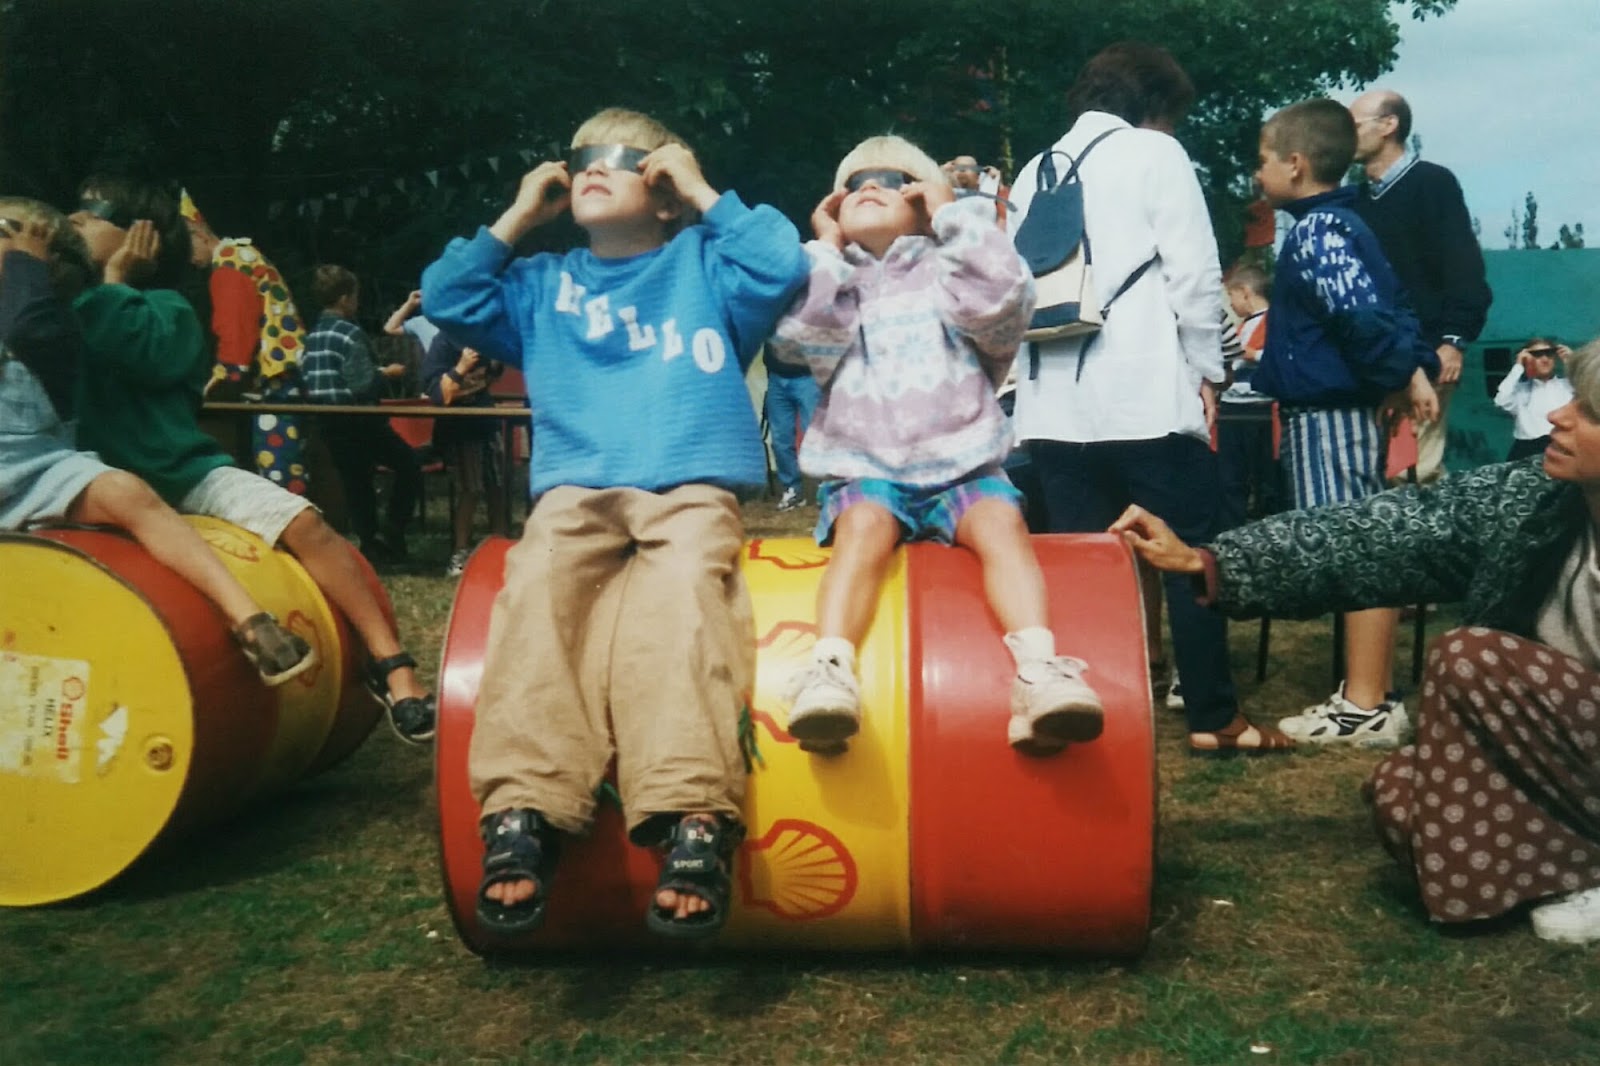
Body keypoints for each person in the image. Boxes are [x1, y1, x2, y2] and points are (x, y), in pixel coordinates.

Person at [421, 107, 808, 940]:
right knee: (537, 606)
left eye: (624, 159)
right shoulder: (540, 284)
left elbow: (782, 262)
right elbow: (449, 295)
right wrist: (520, 216)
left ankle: (692, 814)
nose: (595, 166)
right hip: (576, 491)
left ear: (664, 188)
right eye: (580, 158)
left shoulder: (708, 266)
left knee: (686, 613)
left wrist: (703, 192)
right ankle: (524, 809)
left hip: (688, 484)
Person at [1112, 335, 1600, 943]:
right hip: (1569, 754)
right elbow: (1381, 534)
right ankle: (1578, 874)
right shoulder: (1537, 499)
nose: (1558, 414)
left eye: (1587, 411)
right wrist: (1212, 561)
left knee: (1470, 657)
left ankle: (1542, 880)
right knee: (1401, 795)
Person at [66, 176, 436, 743]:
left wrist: (115, 282)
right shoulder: (56, 307)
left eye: (91, 216)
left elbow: (144, 356)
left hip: (181, 473)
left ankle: (392, 664)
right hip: (86, 476)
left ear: (143, 237)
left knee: (304, 521)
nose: (73, 222)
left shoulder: (168, 309)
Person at [771, 134, 1103, 756]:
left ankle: (1038, 670)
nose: (871, 186)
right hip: (867, 468)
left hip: (963, 467)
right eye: (856, 182)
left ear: (924, 200)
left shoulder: (950, 271)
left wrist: (956, 214)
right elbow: (799, 340)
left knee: (1002, 524)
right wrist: (825, 248)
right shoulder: (838, 284)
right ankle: (830, 670)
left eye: (893, 181)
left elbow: (1007, 301)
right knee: (863, 527)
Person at [1008, 42, 1272, 755]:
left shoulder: (1036, 169)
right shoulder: (1157, 157)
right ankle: (1215, 716)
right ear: (1155, 106)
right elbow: (1192, 277)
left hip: (1052, 405)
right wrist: (1204, 373)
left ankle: (1097, 709)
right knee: (1184, 551)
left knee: (1086, 568)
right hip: (1145, 392)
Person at [1, 198, 313, 685]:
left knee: (128, 493)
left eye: (9, 238)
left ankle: (250, 620)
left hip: (35, 467)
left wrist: (27, 261)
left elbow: (30, 329)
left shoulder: (55, 321)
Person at [1251, 99, 1442, 747]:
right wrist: (1407, 367)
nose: (1258, 175)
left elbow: (1363, 316)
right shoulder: (1345, 224)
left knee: (1357, 551)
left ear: (1296, 165)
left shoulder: (1318, 232)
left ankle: (1367, 705)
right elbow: (1395, 303)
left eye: (1263, 161)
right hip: (1337, 408)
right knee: (1359, 546)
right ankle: (1368, 697)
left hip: (1330, 413)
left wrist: (1397, 373)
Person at [1350, 89, 1493, 484]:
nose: (1345, 134)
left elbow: (1463, 267)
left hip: (1430, 350)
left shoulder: (1433, 183)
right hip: (1375, 358)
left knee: (1416, 470)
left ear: (1389, 125)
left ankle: (1437, 545)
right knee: (1381, 472)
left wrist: (1453, 339)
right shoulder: (1356, 201)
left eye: (1354, 124)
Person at [183, 191, 313, 495]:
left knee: (279, 468)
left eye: (185, 246)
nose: (188, 259)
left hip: (276, 373)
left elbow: (235, 326)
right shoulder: (245, 255)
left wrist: (227, 373)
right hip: (284, 367)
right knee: (286, 460)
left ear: (199, 234)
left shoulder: (229, 262)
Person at [301, 264, 422, 564]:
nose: (357, 302)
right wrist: (388, 374)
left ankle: (370, 542)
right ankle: (393, 529)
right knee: (408, 465)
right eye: (355, 296)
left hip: (327, 421)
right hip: (358, 420)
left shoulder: (312, 335)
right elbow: (362, 384)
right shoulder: (349, 333)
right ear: (344, 298)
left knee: (357, 484)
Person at [420, 332, 508, 576]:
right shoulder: (443, 342)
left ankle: (500, 546)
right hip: (459, 428)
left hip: (486, 422)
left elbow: (493, 374)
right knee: (470, 489)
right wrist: (461, 367)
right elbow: (437, 395)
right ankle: (460, 552)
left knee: (497, 485)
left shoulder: (485, 338)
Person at [1214, 262, 1278, 532]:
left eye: (1232, 297)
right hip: (1232, 408)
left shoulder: (1275, 320)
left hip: (1259, 407)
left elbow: (1280, 356)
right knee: (1231, 477)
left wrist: (1251, 354)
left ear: (1244, 292)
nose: (1232, 304)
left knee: (1265, 476)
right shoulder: (1243, 326)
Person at [761, 342, 820, 511]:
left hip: (808, 378)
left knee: (815, 437)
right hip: (776, 379)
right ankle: (792, 489)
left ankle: (824, 489)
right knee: (780, 439)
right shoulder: (769, 316)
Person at [1495, 339, 1573, 461]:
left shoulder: (1569, 385)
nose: (1545, 359)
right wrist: (1519, 366)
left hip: (1564, 447)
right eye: (1537, 355)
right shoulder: (1519, 391)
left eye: (1549, 353)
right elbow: (1500, 401)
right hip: (1527, 450)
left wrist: (1572, 363)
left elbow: (1593, 393)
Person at [383, 287, 440, 358]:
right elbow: (390, 328)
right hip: (438, 367)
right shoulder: (421, 322)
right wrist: (410, 304)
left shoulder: (455, 318)